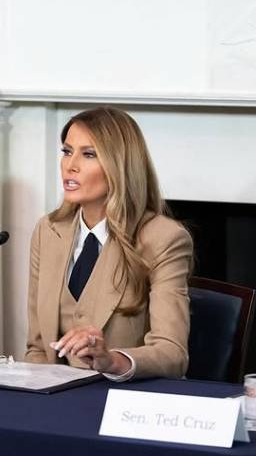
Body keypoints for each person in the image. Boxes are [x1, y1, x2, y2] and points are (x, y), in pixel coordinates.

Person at [24, 107, 192, 380]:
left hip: (123, 396)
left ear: (120, 166)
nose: (70, 165)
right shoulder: (48, 231)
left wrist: (112, 360)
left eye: (89, 154)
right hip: (54, 396)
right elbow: (37, 348)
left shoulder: (164, 238)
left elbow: (173, 354)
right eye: (67, 151)